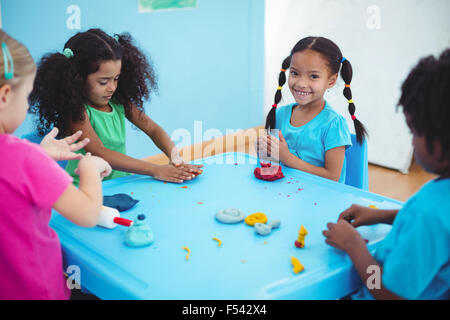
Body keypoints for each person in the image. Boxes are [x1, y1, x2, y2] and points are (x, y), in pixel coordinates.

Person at [323, 48, 450, 300]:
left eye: (415, 132)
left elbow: (388, 293)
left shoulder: (427, 214)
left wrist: (354, 246)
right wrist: (380, 215)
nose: (412, 144)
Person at [0, 30, 112, 299]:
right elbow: (86, 214)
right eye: (26, 96)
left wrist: (39, 155)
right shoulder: (23, 158)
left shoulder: (25, 158)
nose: (27, 106)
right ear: (5, 96)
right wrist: (90, 169)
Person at [30, 28, 202, 186]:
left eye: (116, 78)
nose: (112, 87)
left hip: (118, 184)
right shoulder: (77, 112)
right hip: (85, 189)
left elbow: (153, 129)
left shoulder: (119, 102)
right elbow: (99, 152)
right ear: (77, 78)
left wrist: (175, 157)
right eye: (103, 81)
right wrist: (155, 169)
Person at [257, 36, 367, 182]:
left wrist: (288, 158)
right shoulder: (279, 114)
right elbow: (271, 162)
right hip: (285, 192)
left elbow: (332, 177)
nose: (302, 83)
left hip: (321, 198)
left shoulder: (334, 124)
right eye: (295, 73)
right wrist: (263, 150)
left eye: (313, 76)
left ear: (331, 81)